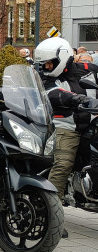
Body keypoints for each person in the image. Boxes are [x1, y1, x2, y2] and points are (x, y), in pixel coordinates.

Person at [35, 37, 93, 226]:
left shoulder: (87, 71)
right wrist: (76, 98)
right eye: (44, 64)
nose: (47, 67)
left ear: (63, 57)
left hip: (92, 124)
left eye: (50, 63)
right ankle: (51, 216)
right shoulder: (48, 79)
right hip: (67, 126)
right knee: (63, 164)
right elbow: (53, 94)